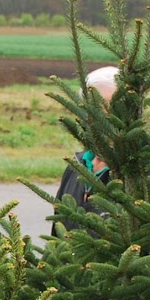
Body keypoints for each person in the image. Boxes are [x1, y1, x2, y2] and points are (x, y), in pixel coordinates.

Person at [52, 66, 117, 222]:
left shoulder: (144, 173)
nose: (99, 118)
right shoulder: (76, 166)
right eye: (94, 109)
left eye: (109, 109)